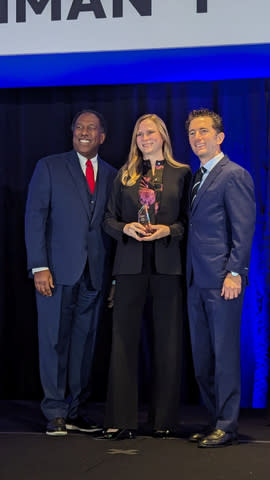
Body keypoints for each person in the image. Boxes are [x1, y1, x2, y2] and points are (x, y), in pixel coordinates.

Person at [25, 109, 117, 436]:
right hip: (56, 273)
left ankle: (76, 411)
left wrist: (114, 278)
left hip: (94, 275)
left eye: (91, 128)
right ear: (72, 132)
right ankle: (55, 412)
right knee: (54, 342)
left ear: (102, 136)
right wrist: (39, 266)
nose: (84, 131)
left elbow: (111, 229)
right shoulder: (49, 166)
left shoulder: (111, 174)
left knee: (84, 346)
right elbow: (35, 218)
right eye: (79, 126)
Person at [100, 113, 191, 440]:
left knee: (167, 342)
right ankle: (121, 420)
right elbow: (107, 220)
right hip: (128, 267)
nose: (145, 138)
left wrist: (169, 229)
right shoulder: (125, 175)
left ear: (163, 136)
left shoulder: (182, 173)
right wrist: (125, 226)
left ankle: (163, 420)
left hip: (167, 266)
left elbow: (187, 222)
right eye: (140, 134)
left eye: (150, 133)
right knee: (123, 343)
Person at [186, 108, 256, 448]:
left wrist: (234, 272)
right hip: (195, 281)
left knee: (224, 355)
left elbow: (243, 231)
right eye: (192, 133)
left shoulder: (234, 175)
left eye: (203, 131)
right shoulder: (196, 177)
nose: (197, 138)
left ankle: (227, 425)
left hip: (222, 281)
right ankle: (214, 420)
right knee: (203, 358)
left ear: (219, 137)